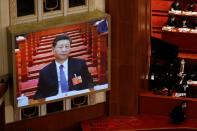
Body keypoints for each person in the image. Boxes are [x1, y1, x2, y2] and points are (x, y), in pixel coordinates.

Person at [34, 34, 93, 99]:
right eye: (60, 47)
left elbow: (89, 83)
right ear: (53, 50)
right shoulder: (45, 72)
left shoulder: (79, 64)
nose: (64, 50)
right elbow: (39, 94)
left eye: (67, 46)